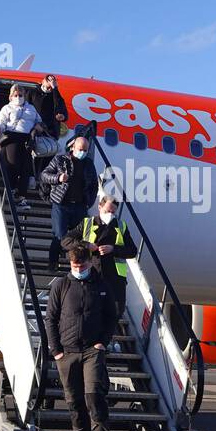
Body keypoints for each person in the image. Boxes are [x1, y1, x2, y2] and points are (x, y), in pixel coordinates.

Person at [44, 246, 117, 431]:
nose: (79, 270)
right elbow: (51, 318)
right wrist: (56, 351)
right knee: (75, 404)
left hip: (92, 350)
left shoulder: (101, 286)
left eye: (82, 266)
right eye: (75, 267)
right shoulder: (61, 285)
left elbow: (111, 316)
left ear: (89, 263)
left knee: (94, 397)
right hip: (67, 353)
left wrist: (103, 341)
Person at [61, 195, 136, 321]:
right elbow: (65, 241)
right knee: (91, 307)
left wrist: (113, 249)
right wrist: (86, 245)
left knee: (117, 309)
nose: (110, 214)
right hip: (92, 272)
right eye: (107, 211)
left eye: (113, 212)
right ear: (99, 207)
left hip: (114, 276)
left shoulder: (121, 226)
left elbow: (132, 251)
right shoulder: (87, 223)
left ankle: (106, 336)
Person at [38, 135, 99, 271]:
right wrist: (58, 178)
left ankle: (80, 265)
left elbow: (94, 185)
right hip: (62, 204)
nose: (83, 152)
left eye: (85, 150)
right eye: (80, 149)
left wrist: (89, 201)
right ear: (73, 147)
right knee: (60, 235)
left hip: (80, 205)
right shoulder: (60, 159)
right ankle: (53, 263)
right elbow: (44, 175)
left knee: (84, 235)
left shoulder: (89, 164)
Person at [0, 84, 44, 208]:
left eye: (20, 95)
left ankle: (22, 198)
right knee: (13, 164)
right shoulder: (7, 108)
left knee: (26, 169)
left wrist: (38, 127)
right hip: (11, 137)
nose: (18, 97)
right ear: (11, 96)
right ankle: (13, 189)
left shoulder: (31, 108)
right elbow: (2, 121)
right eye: (16, 95)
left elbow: (39, 120)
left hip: (26, 139)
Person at [30, 74, 69, 186]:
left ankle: (43, 185)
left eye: (53, 81)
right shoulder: (33, 93)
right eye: (48, 80)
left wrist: (55, 89)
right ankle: (32, 179)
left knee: (48, 161)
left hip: (50, 133)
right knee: (35, 157)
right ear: (42, 81)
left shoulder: (56, 96)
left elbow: (62, 111)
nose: (50, 82)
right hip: (36, 131)